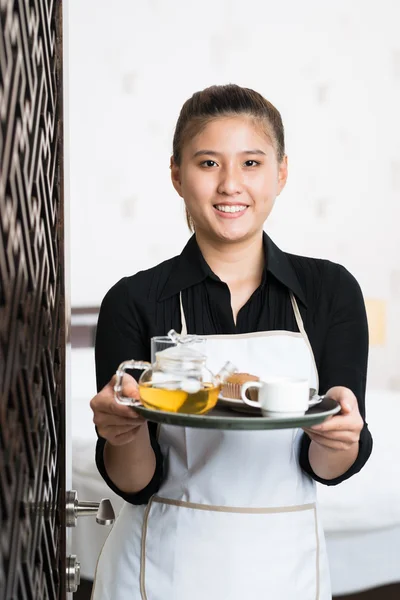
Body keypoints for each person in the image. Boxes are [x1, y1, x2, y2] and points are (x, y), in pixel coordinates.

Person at [90, 84, 372, 600]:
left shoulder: (330, 292)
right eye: (207, 163)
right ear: (177, 175)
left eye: (251, 163)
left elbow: (326, 465)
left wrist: (344, 438)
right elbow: (135, 482)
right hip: (157, 571)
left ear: (281, 172)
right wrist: (122, 435)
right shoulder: (134, 300)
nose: (230, 185)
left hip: (284, 571)